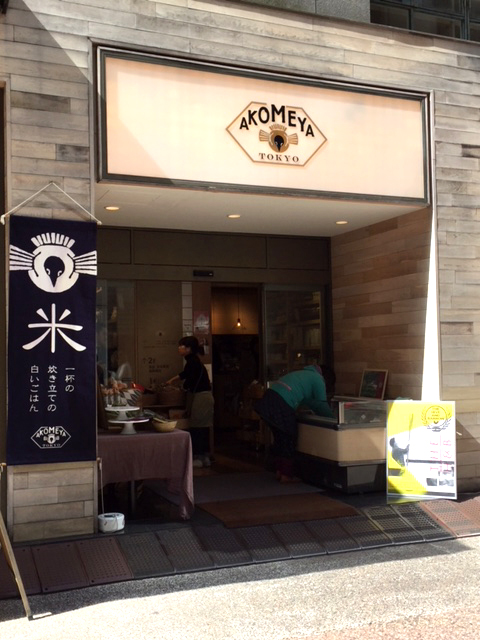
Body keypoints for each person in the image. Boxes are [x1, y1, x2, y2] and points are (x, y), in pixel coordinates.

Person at [254, 364, 334, 483]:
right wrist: (333, 419)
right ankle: (286, 475)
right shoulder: (318, 379)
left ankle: (279, 471)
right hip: (281, 403)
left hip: (268, 399)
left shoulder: (303, 373)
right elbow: (321, 404)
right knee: (289, 438)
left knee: (280, 438)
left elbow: (307, 401)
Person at [166, 336, 214, 468]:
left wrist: (180, 385)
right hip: (205, 397)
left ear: (188, 349)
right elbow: (185, 374)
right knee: (203, 427)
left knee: (197, 428)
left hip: (201, 398)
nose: (179, 348)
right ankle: (205, 457)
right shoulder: (193, 361)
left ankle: (199, 457)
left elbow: (189, 379)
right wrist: (172, 380)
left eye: (181, 346)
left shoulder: (192, 362)